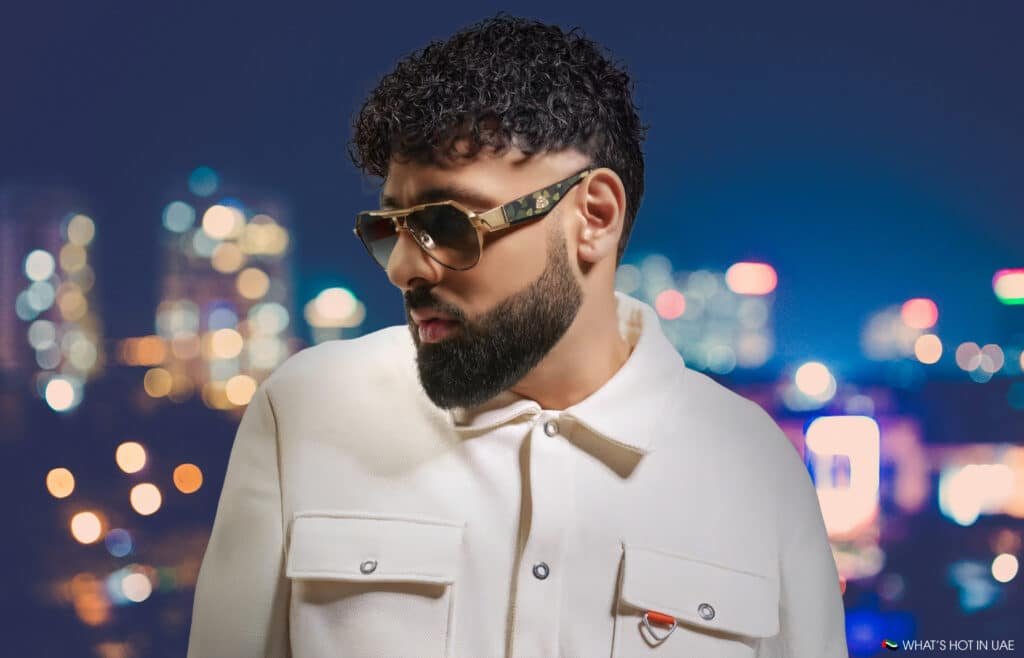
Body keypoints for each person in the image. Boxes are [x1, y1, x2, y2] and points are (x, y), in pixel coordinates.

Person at [186, 12, 848, 658]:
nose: (403, 268)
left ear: (594, 217)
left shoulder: (755, 467)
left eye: (447, 225)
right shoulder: (307, 411)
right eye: (390, 229)